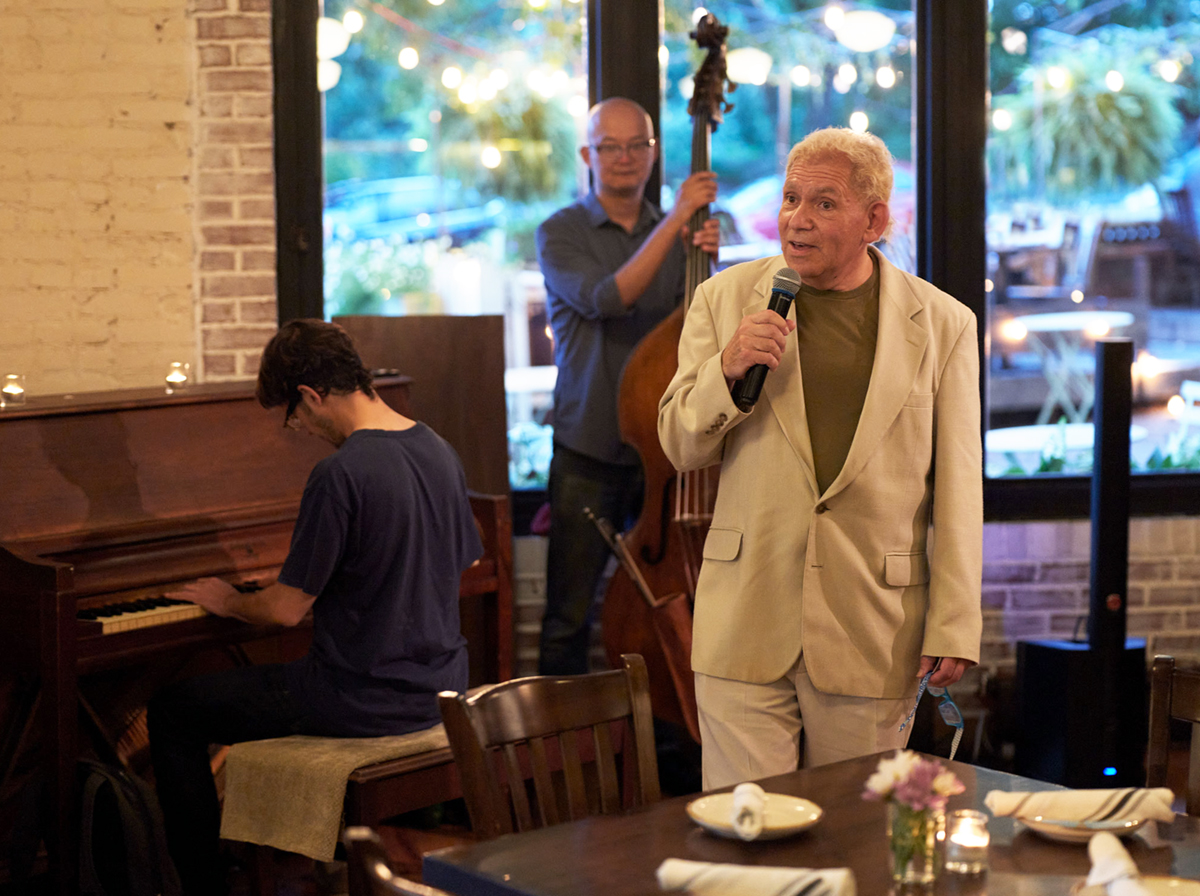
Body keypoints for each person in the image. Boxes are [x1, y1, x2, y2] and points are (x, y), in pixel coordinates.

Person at [658, 127, 982, 789]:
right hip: (745, 615)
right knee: (745, 840)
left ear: (876, 220)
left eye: (824, 204)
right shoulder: (724, 301)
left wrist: (954, 620)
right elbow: (679, 445)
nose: (797, 220)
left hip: (874, 623)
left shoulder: (945, 324)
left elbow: (958, 485)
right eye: (791, 198)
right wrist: (728, 367)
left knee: (856, 841)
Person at [147, 319, 481, 895]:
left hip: (358, 700)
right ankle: (279, 860)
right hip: (436, 689)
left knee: (174, 709)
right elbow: (463, 561)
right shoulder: (437, 447)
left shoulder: (341, 472)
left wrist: (228, 598)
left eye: (294, 417)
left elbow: (283, 612)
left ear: (310, 396)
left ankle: (203, 885)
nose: (299, 429)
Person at [535, 96, 720, 676]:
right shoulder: (559, 232)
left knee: (674, 606)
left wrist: (707, 266)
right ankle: (555, 759)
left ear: (651, 152)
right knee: (568, 615)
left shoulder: (681, 236)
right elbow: (606, 299)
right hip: (587, 451)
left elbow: (696, 331)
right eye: (609, 147)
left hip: (661, 461)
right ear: (588, 154)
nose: (624, 158)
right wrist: (676, 221)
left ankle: (664, 743)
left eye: (636, 145)